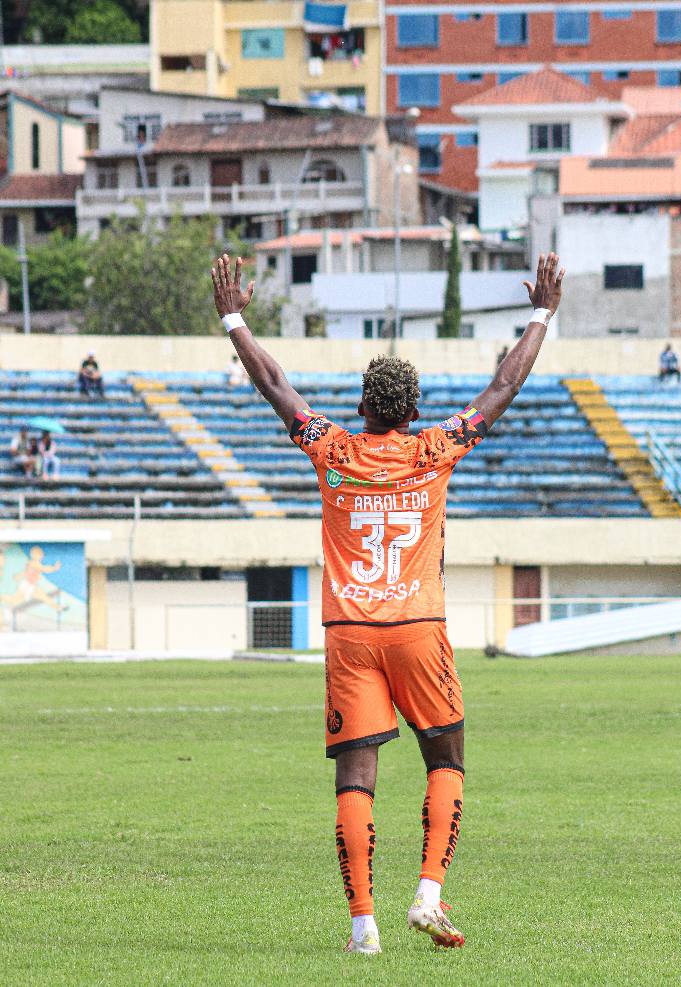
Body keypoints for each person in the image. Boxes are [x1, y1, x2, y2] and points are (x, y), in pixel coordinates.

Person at [211, 250, 565, 954]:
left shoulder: (331, 447)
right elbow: (501, 386)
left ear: (363, 406)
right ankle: (428, 893)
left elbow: (275, 383)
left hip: (349, 632)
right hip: (417, 627)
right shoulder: (436, 447)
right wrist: (540, 313)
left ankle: (362, 927)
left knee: (356, 775)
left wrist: (233, 317)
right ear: (413, 411)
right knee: (446, 758)